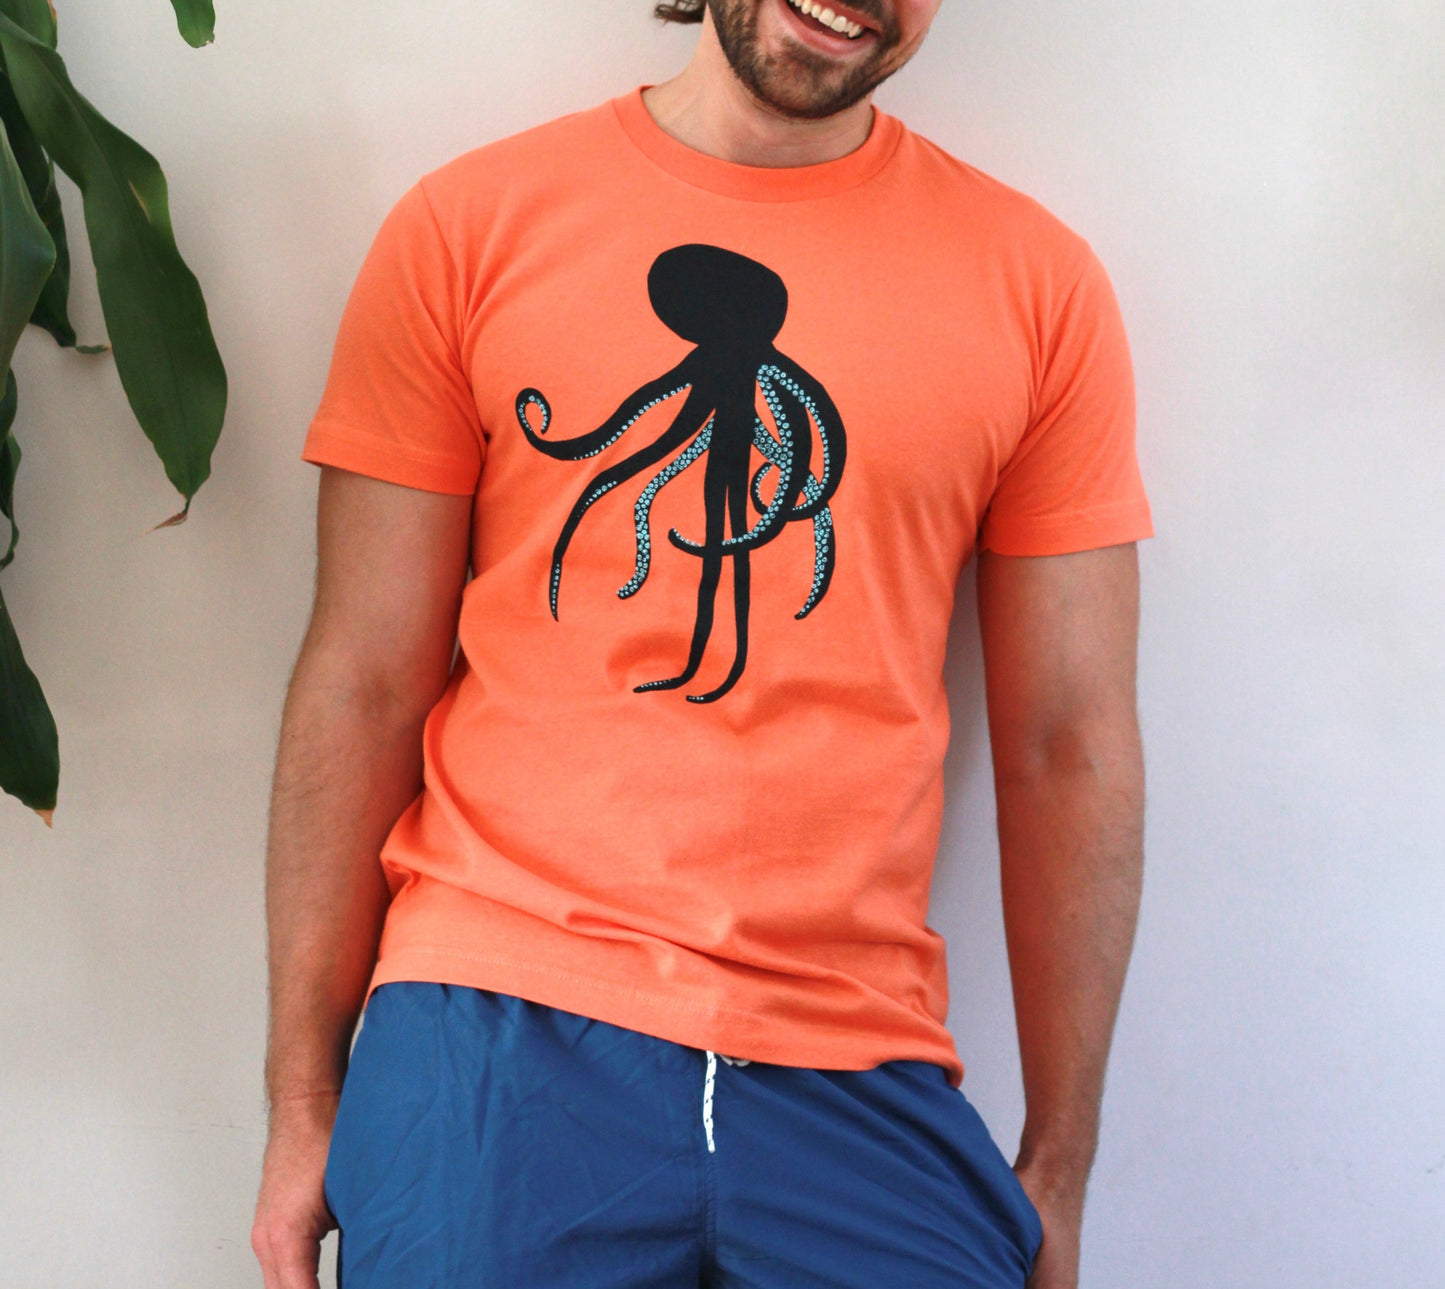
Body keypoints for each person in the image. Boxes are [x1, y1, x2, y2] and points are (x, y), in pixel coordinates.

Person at [250, 1, 1152, 1286]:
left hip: (856, 1053)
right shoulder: (466, 227)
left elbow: (1068, 743)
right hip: (492, 1017)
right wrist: (302, 1107)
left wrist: (1057, 1168)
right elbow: (362, 682)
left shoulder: (1037, 287)